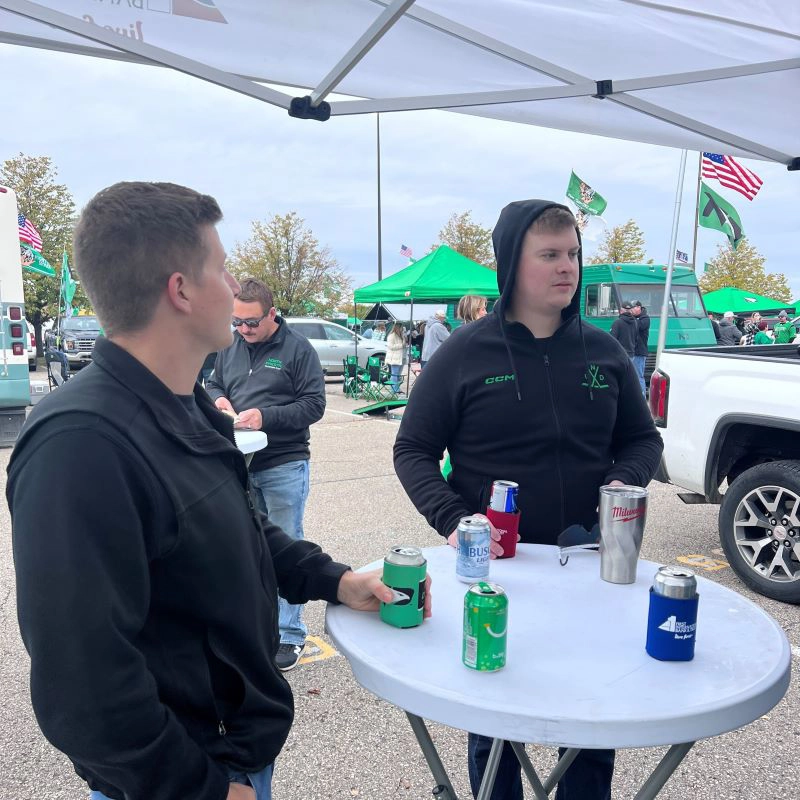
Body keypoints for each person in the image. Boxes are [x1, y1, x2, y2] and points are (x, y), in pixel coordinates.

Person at [6, 181, 413, 800]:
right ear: (181, 290)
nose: (234, 289)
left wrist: (332, 579)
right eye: (222, 269)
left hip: (234, 749)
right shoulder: (80, 442)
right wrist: (200, 789)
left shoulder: (185, 399)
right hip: (190, 774)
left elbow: (239, 530)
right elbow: (80, 680)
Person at [394, 199, 663, 800]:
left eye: (573, 254)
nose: (568, 267)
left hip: (591, 568)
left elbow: (642, 439)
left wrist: (623, 481)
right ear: (511, 265)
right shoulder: (465, 352)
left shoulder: (605, 351)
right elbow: (412, 449)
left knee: (594, 718)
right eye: (550, 255)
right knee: (494, 721)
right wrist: (452, 518)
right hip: (499, 574)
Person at [205, 277, 325, 672]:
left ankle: (289, 635)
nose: (243, 330)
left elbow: (313, 405)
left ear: (272, 314)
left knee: (286, 545)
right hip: (239, 461)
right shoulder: (232, 345)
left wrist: (265, 417)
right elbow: (215, 381)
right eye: (236, 322)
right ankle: (259, 627)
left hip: (283, 463)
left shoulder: (297, 350)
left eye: (251, 323)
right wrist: (219, 398)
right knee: (247, 545)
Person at [631, 300, 649, 395]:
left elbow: (640, 326)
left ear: (639, 307)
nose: (631, 310)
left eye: (633, 308)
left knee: (639, 376)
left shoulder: (645, 318)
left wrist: (630, 318)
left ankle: (642, 396)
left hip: (639, 352)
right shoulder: (635, 318)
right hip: (633, 351)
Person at [385, 322, 406, 393]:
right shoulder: (391, 336)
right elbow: (391, 347)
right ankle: (394, 389)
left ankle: (396, 388)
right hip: (394, 358)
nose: (402, 329)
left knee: (398, 374)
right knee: (395, 374)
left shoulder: (401, 335)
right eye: (401, 328)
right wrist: (401, 345)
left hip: (400, 357)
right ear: (397, 328)